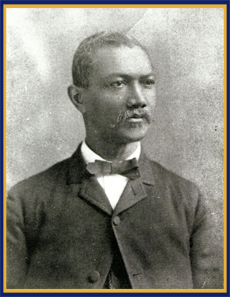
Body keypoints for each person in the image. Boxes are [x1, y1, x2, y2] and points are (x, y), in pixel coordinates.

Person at [7, 32, 222, 289]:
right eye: (118, 84)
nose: (138, 99)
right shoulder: (25, 202)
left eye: (148, 82)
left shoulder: (188, 200)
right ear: (78, 98)